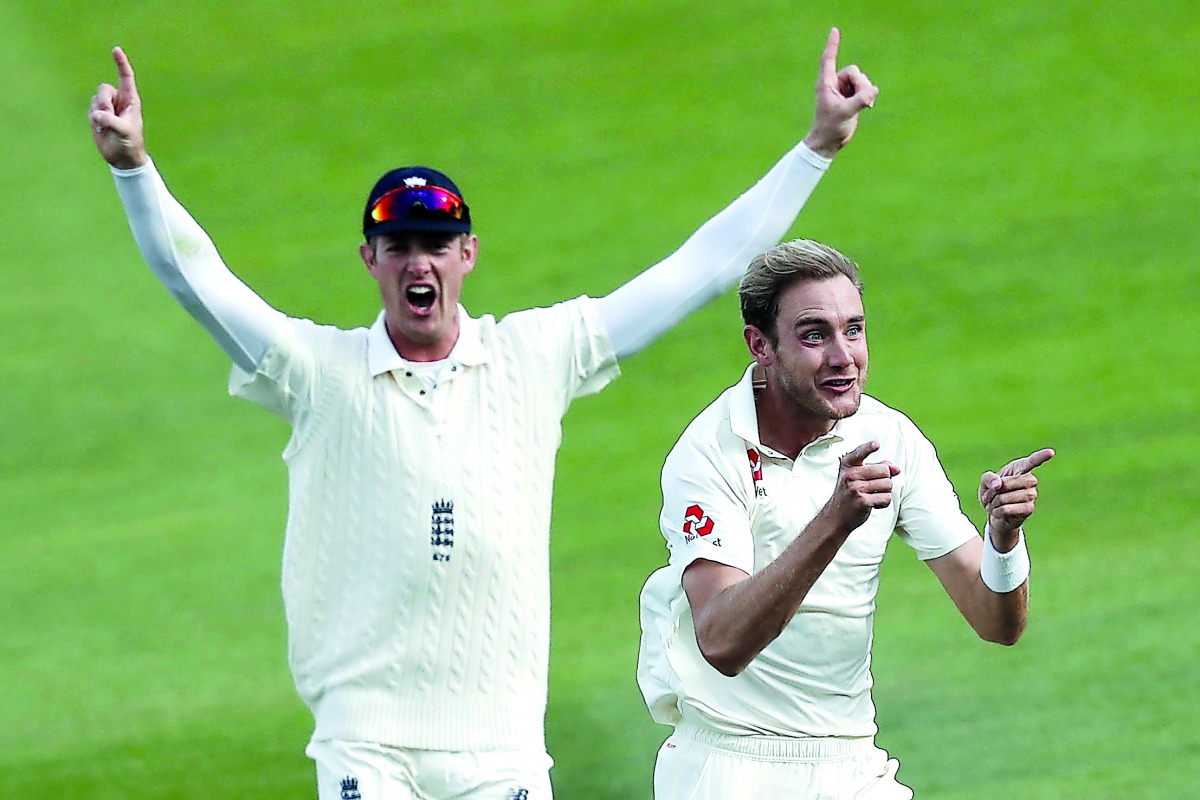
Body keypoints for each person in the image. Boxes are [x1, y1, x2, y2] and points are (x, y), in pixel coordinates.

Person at [88, 28, 877, 800]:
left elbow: (699, 269)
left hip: (502, 746)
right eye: (398, 245)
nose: (418, 261)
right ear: (370, 259)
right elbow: (201, 284)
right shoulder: (316, 372)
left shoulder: (537, 355)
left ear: (468, 253)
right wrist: (134, 170)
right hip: (365, 738)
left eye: (437, 242)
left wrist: (816, 147)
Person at [637, 239, 1055, 798]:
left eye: (854, 330)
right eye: (815, 335)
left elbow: (997, 623)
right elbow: (721, 641)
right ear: (760, 345)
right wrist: (835, 519)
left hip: (851, 761)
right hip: (729, 764)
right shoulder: (709, 453)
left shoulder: (891, 438)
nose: (844, 356)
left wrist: (1003, 540)